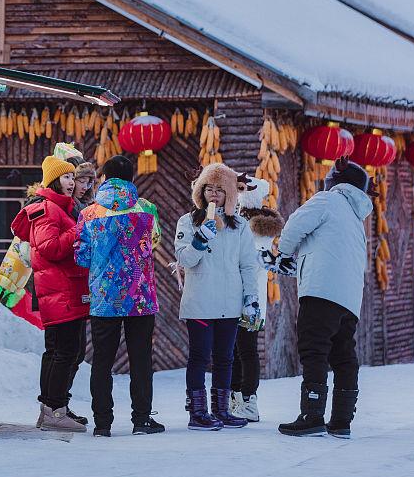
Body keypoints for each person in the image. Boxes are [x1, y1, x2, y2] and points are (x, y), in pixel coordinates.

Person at [266, 157, 371, 439]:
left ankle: (312, 415)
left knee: (314, 350)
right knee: (343, 355)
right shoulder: (356, 220)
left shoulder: (327, 200)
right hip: (349, 300)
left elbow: (295, 225)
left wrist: (284, 253)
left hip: (321, 290)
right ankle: (341, 421)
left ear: (336, 183)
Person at [75, 154, 163, 437]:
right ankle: (141, 420)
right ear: (131, 179)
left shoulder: (89, 213)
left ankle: (102, 423)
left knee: (102, 360)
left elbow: (82, 255)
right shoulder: (147, 209)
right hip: (140, 295)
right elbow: (155, 242)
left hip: (103, 297)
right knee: (141, 359)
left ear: (104, 178)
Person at [174, 163, 259, 431]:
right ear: (200, 191)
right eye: (209, 189)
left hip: (229, 302)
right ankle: (197, 412)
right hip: (200, 301)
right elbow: (184, 259)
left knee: (225, 357)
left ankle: (221, 409)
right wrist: (200, 239)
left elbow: (247, 264)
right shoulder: (188, 222)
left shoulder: (240, 226)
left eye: (220, 190)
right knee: (199, 356)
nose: (213, 195)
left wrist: (251, 298)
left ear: (230, 194)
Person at [9, 155, 90, 433]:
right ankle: (55, 411)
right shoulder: (48, 209)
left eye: (73, 177)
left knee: (62, 351)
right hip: (60, 291)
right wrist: (79, 230)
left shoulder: (61, 209)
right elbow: (50, 248)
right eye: (67, 177)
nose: (72, 182)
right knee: (65, 352)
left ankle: (54, 409)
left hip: (65, 290)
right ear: (55, 180)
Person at [231, 174, 285, 423]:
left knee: (245, 349)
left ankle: (248, 398)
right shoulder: (237, 220)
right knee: (236, 349)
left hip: (250, 298)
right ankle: (236, 397)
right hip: (231, 295)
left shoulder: (259, 227)